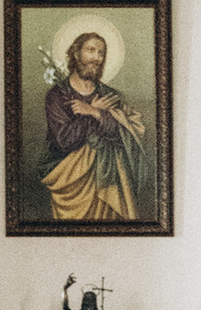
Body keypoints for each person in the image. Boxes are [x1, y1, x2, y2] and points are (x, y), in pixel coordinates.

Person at [38, 30, 154, 222]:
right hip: (69, 182)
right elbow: (65, 141)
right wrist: (93, 113)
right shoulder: (57, 96)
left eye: (101, 53)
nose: (97, 58)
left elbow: (127, 136)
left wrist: (95, 112)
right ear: (76, 53)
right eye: (91, 50)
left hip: (109, 185)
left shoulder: (110, 95)